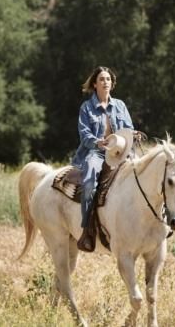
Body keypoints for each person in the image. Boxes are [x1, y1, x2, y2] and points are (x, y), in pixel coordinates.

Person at [71, 66, 135, 252]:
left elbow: (128, 128)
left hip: (121, 151)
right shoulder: (86, 108)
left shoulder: (120, 105)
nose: (105, 82)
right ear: (94, 84)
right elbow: (85, 135)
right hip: (97, 152)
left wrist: (134, 134)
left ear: (112, 84)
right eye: (101, 79)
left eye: (108, 79)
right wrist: (99, 143)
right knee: (90, 180)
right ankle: (87, 229)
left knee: (142, 172)